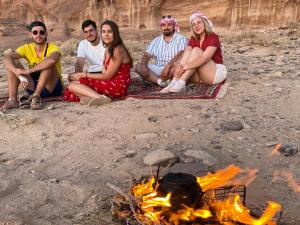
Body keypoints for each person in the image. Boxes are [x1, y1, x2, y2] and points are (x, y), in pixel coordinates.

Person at [63, 20, 133, 106]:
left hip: (117, 86)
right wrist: (80, 76)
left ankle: (99, 97)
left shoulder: (118, 49)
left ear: (115, 33)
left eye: (109, 32)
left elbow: (107, 76)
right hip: (110, 81)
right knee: (73, 85)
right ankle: (91, 97)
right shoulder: (108, 50)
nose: (106, 35)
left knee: (71, 86)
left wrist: (83, 75)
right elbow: (103, 73)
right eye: (103, 32)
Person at [2, 21, 63, 110]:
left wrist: (28, 71)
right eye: (35, 32)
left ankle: (36, 96)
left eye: (41, 32)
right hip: (33, 85)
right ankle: (13, 100)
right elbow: (7, 57)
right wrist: (16, 71)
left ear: (46, 34)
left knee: (47, 62)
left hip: (51, 87)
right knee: (13, 62)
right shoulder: (27, 48)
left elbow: (52, 60)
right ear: (31, 34)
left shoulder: (53, 47)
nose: (38, 35)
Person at [160, 12, 227, 93]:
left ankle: (181, 82)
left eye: (199, 23)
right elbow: (186, 53)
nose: (196, 26)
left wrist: (183, 67)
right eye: (194, 24)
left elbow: (205, 58)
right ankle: (174, 82)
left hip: (215, 73)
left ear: (205, 23)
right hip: (201, 75)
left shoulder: (213, 37)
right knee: (188, 52)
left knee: (196, 50)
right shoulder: (193, 38)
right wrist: (179, 66)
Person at [135, 15, 187, 87]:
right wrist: (144, 66)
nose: (166, 27)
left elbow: (180, 53)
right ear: (161, 27)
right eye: (163, 25)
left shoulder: (181, 38)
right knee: (138, 66)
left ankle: (152, 80)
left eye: (169, 25)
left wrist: (168, 66)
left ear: (174, 26)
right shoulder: (156, 40)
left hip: (172, 68)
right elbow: (147, 55)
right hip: (158, 68)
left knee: (176, 69)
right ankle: (160, 82)